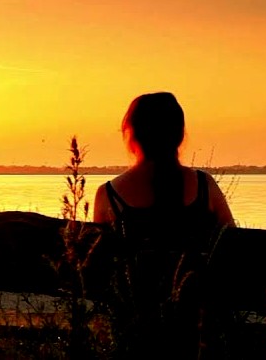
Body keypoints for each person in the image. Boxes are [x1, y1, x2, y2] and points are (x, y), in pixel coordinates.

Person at [92, 92, 234, 358]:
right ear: (179, 135)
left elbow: (101, 270)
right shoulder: (204, 187)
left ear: (131, 135)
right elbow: (234, 249)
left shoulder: (109, 196)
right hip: (202, 330)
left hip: (135, 334)